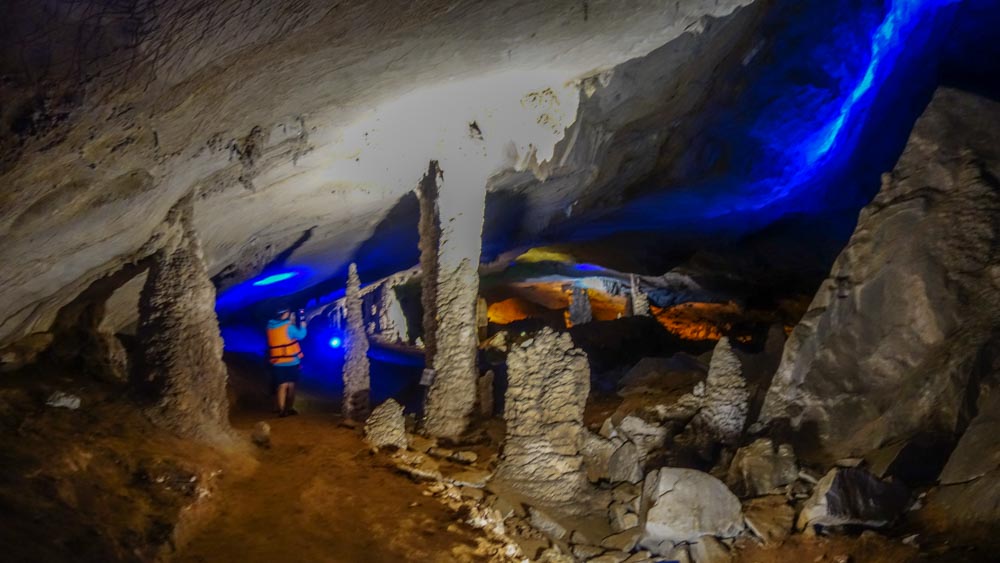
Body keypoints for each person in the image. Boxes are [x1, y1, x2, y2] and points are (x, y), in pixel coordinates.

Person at [266, 307, 308, 417]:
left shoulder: (270, 326)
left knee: (282, 385)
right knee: (291, 385)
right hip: (291, 361)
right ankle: (289, 408)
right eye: (289, 313)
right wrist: (303, 325)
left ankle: (281, 410)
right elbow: (301, 335)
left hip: (277, 361)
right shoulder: (289, 327)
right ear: (285, 314)